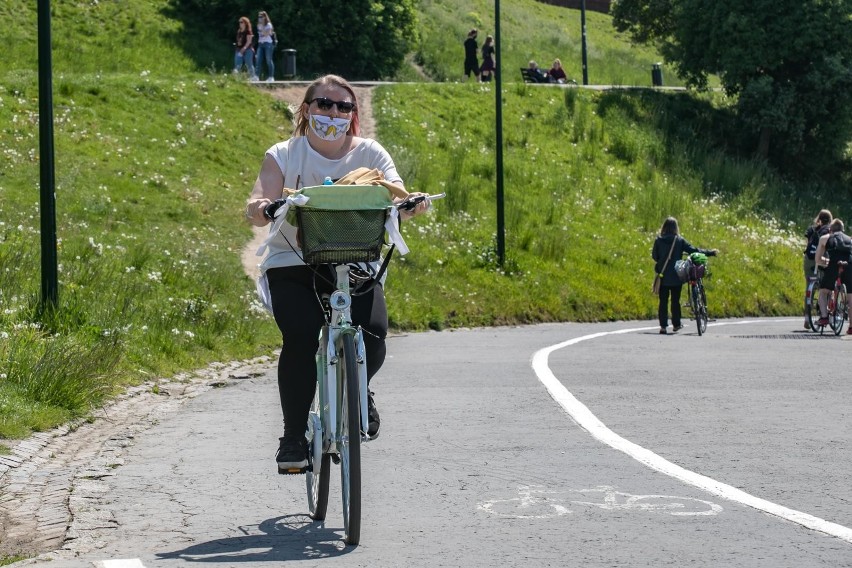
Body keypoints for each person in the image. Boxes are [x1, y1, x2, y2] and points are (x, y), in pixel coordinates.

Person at [244, 75, 431, 471]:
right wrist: (263, 207)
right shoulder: (283, 153)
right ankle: (293, 437)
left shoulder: (370, 153)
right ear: (306, 108)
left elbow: (396, 189)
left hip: (354, 257)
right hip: (292, 258)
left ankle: (360, 388)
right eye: (324, 104)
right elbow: (258, 200)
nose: (333, 112)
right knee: (300, 334)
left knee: (375, 334)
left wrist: (411, 204)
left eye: (343, 106)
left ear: (353, 114)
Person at [652, 217, 718, 335]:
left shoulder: (658, 240)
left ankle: (663, 326)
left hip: (663, 276)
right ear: (676, 228)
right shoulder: (679, 240)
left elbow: (655, 257)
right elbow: (694, 250)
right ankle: (676, 324)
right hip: (677, 276)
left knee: (663, 301)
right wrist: (710, 252)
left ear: (664, 227)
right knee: (675, 301)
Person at [813, 218, 852, 332]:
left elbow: (817, 259)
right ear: (843, 230)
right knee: (850, 297)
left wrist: (826, 261)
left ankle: (824, 317)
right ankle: (851, 327)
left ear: (830, 230)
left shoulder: (825, 238)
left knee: (823, 291)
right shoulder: (849, 239)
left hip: (834, 264)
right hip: (849, 265)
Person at [803, 209, 832, 328]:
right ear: (830, 220)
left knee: (809, 286)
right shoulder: (829, 231)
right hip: (821, 259)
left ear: (818, 218)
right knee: (827, 286)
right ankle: (825, 312)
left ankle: (806, 319)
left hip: (809, 260)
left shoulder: (811, 229)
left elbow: (807, 244)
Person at [233, 16, 257, 81]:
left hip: (248, 49)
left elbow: (249, 42)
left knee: (248, 63)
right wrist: (238, 44)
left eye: (241, 22)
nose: (240, 23)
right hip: (239, 49)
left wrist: (243, 50)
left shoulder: (248, 31)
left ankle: (253, 77)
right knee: (237, 63)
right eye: (239, 22)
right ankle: (236, 78)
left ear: (245, 23)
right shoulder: (239, 31)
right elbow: (239, 41)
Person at [255, 11, 276, 82]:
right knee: (258, 59)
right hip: (260, 43)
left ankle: (271, 77)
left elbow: (266, 34)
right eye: (259, 17)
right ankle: (256, 76)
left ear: (264, 17)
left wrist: (262, 26)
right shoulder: (258, 25)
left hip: (268, 44)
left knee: (268, 60)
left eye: (261, 17)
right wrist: (260, 25)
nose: (259, 18)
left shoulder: (269, 25)